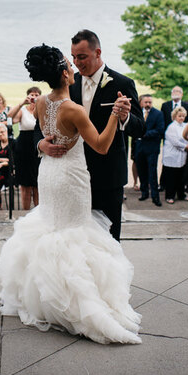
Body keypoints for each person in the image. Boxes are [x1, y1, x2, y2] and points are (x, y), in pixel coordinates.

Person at [0, 43, 141, 345]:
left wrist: (44, 144)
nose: (74, 66)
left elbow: (44, 128)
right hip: (71, 178)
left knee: (52, 227)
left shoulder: (41, 103)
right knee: (74, 232)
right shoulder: (73, 109)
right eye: (69, 62)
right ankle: (77, 301)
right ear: (64, 72)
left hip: (49, 174)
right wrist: (115, 115)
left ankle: (43, 294)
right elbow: (100, 145)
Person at [38, 29, 145, 241]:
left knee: (108, 240)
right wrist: (41, 144)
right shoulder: (69, 81)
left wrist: (124, 117)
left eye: (82, 57)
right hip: (71, 177)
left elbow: (140, 128)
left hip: (107, 175)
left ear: (98, 52)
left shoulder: (122, 84)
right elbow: (39, 125)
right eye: (74, 57)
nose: (77, 62)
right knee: (72, 236)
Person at [9, 87, 41, 210]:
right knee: (25, 185)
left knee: (37, 184)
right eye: (31, 95)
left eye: (36, 95)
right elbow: (10, 118)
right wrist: (22, 103)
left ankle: (38, 212)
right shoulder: (22, 110)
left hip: (37, 147)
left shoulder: (41, 109)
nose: (33, 97)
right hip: (23, 149)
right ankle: (25, 212)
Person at [135, 94, 164, 206]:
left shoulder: (158, 114)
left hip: (152, 148)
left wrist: (144, 134)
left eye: (150, 102)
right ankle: (144, 193)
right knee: (141, 171)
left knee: (152, 173)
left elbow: (160, 130)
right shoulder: (137, 113)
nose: (148, 104)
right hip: (139, 147)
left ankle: (155, 197)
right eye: (146, 102)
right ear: (141, 102)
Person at [161, 106, 188, 204]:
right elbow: (175, 142)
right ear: (175, 116)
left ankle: (181, 195)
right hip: (172, 156)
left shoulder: (185, 125)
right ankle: (169, 196)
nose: (181, 118)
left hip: (182, 156)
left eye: (183, 116)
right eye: (179, 116)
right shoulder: (171, 127)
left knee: (181, 177)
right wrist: (186, 147)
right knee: (171, 178)